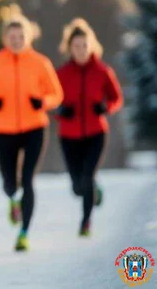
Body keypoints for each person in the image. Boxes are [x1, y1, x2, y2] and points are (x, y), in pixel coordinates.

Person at [0, 16, 63, 252]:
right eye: (12, 37)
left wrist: (42, 101)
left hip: (35, 128)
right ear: (4, 39)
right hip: (4, 129)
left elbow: (57, 94)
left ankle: (24, 232)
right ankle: (13, 200)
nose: (17, 40)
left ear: (29, 37)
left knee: (28, 179)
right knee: (9, 183)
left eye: (21, 36)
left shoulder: (40, 63)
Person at [54, 18, 123, 237]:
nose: (81, 50)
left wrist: (106, 107)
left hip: (96, 134)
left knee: (87, 177)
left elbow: (116, 98)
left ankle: (85, 223)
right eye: (76, 46)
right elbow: (52, 100)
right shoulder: (61, 74)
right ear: (69, 48)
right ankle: (93, 191)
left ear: (91, 45)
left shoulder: (102, 71)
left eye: (85, 45)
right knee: (77, 186)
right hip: (69, 136)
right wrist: (60, 111)